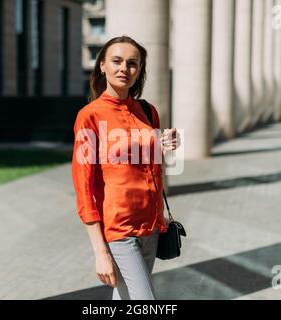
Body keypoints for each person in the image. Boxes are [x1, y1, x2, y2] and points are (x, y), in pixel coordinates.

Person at [71, 35, 179, 300]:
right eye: (116, 61)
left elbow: (154, 170)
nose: (124, 69)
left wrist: (165, 146)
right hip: (119, 229)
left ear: (139, 69)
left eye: (132, 63)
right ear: (102, 66)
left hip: (152, 228)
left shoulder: (148, 111)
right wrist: (100, 252)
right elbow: (84, 188)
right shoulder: (90, 116)